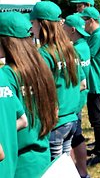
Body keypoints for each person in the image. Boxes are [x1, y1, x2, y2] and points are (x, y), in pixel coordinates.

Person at [0, 11, 58, 177]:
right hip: (42, 154)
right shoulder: (41, 67)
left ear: (6, 41)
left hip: (20, 162)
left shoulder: (8, 74)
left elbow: (16, 121)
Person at [30, 1, 83, 161]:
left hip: (57, 122)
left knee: (54, 168)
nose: (31, 29)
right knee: (64, 165)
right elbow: (81, 84)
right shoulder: (70, 49)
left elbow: (41, 90)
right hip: (72, 118)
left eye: (32, 23)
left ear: (42, 24)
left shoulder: (44, 54)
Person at [80, 7, 100, 167]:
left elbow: (85, 54)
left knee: (96, 118)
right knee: (99, 115)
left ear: (91, 21)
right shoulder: (99, 34)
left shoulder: (97, 36)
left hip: (94, 82)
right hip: (97, 80)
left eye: (84, 21)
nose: (83, 25)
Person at [64, 14, 91, 178]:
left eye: (64, 26)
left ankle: (79, 171)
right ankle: (80, 170)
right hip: (80, 97)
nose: (62, 29)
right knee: (76, 135)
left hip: (75, 100)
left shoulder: (75, 50)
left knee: (74, 137)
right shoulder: (84, 45)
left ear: (72, 30)